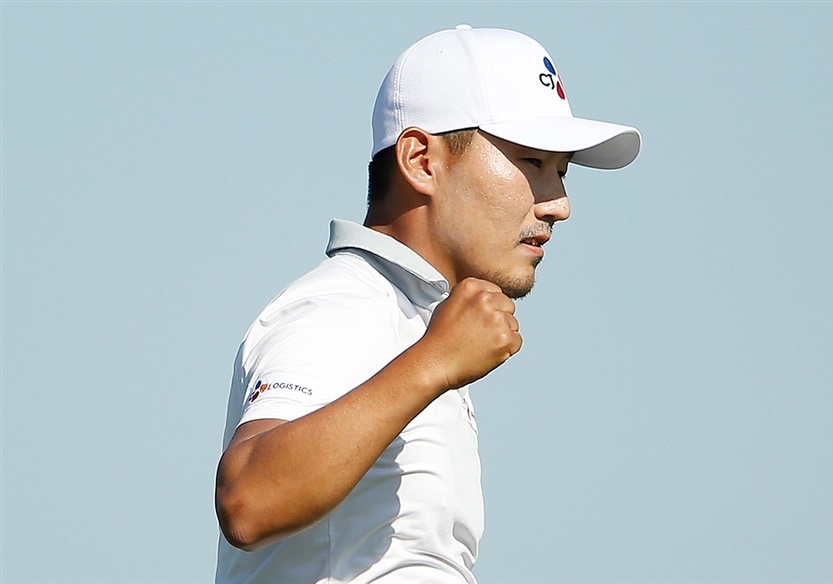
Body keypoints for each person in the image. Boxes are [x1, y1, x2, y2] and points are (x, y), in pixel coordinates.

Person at [214, 25, 640, 583]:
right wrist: (433, 362)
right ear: (420, 160)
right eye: (533, 161)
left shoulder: (409, 321)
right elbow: (249, 499)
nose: (559, 203)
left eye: (560, 171)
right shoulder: (344, 303)